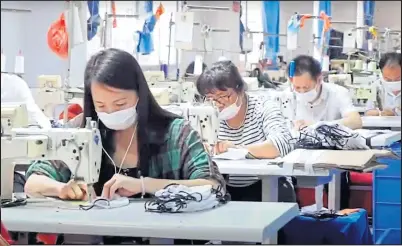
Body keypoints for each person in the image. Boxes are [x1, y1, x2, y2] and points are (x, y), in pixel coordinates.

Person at [24, 48, 225, 203]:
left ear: (140, 94)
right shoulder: (79, 132)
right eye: (100, 105)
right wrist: (61, 189)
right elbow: (33, 180)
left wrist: (144, 185)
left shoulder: (176, 134)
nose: (110, 112)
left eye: (120, 104)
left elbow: (213, 186)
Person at [196, 60, 296, 202]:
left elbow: (281, 144)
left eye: (223, 96)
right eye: (211, 98)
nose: (218, 104)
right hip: (224, 188)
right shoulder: (206, 114)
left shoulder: (264, 107)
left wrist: (238, 150)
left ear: (240, 89)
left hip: (266, 186)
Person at [282, 55, 362, 130]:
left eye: (306, 88)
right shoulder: (287, 96)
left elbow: (356, 122)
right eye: (297, 88)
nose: (302, 92)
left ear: (319, 80)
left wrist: (319, 125)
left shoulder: (338, 93)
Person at [365, 52, 401, 116]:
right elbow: (368, 111)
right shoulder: (377, 87)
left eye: (398, 79)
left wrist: (396, 112)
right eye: (388, 79)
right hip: (383, 125)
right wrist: (381, 113)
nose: (393, 82)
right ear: (382, 73)